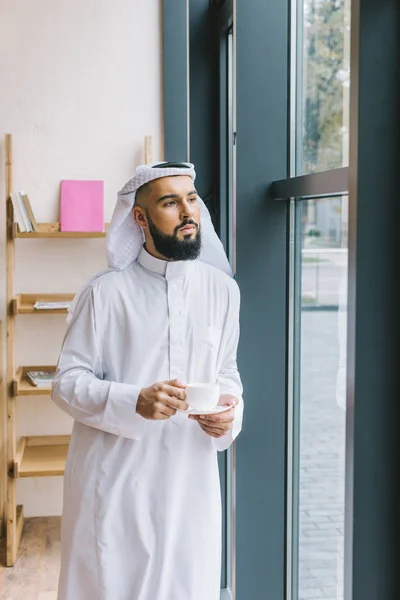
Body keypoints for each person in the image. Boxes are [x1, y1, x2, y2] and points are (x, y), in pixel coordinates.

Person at [52, 161, 243, 600]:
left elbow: (227, 371)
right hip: (117, 482)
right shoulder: (104, 293)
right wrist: (132, 400)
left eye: (191, 199)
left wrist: (231, 413)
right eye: (170, 202)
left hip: (189, 479)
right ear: (139, 218)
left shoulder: (223, 291)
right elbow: (65, 383)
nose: (187, 212)